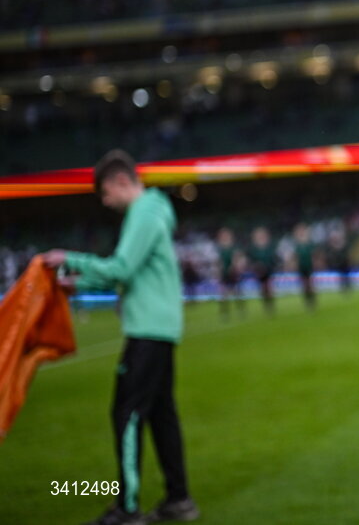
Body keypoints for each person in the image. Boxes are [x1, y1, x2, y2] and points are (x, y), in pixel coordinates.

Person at [40, 150, 199, 525]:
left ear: (121, 182)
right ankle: (179, 498)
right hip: (161, 328)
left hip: (147, 330)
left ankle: (127, 508)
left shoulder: (143, 214)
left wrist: (70, 259)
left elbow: (122, 269)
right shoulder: (155, 212)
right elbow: (127, 273)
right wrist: (79, 284)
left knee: (126, 414)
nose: (106, 203)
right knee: (162, 416)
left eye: (106, 195)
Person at [215, 227, 245, 319]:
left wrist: (235, 266)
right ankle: (225, 313)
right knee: (223, 294)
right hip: (224, 273)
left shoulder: (234, 247)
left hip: (233, 273)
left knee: (237, 292)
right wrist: (218, 271)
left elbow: (238, 257)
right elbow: (218, 262)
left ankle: (240, 310)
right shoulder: (219, 248)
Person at [248, 226, 277, 315]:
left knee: (268, 287)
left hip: (269, 270)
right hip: (259, 272)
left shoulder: (269, 246)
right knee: (263, 289)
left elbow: (273, 258)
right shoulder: (253, 248)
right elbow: (251, 260)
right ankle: (266, 304)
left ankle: (270, 305)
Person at [292, 222, 317, 310]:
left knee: (310, 284)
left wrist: (314, 263)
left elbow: (314, 255)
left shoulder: (309, 243)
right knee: (305, 285)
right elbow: (295, 257)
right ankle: (308, 301)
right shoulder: (296, 244)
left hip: (308, 266)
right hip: (301, 267)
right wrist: (295, 265)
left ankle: (312, 300)